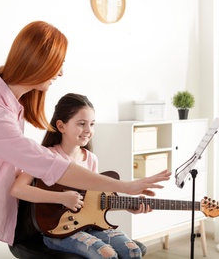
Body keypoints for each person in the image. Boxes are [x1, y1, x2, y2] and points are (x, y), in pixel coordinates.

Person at [0, 21, 171, 258]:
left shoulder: (7, 96)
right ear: (39, 62)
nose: (60, 73)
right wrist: (126, 186)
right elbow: (50, 165)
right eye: (58, 65)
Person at [10, 93, 154, 258]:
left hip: (89, 227)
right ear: (61, 126)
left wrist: (128, 206)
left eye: (92, 124)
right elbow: (18, 189)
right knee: (107, 254)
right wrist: (61, 198)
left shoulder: (91, 159)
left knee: (132, 250)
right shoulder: (45, 157)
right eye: (81, 124)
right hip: (58, 231)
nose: (88, 130)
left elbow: (93, 203)